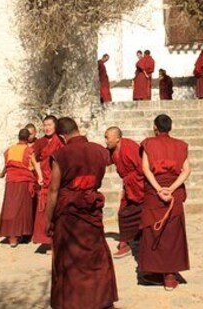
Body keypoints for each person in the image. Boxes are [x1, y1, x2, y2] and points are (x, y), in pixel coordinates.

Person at [46, 117, 118, 309]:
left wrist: (48, 219)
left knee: (70, 258)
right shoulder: (99, 151)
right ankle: (100, 299)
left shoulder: (61, 154)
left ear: (62, 136)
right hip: (91, 209)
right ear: (78, 129)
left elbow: (53, 189)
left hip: (68, 214)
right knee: (95, 255)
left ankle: (73, 302)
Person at [139, 114, 191, 291]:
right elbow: (186, 170)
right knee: (173, 232)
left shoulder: (149, 143)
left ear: (155, 127)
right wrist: (172, 188)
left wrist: (159, 189)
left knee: (154, 230)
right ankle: (169, 276)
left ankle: (155, 271)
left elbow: (145, 169)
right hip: (173, 192)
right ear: (170, 127)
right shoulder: (181, 145)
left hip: (155, 192)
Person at [104, 126, 145, 258]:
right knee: (123, 213)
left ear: (117, 138)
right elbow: (104, 159)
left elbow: (142, 167)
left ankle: (133, 240)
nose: (105, 141)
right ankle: (125, 242)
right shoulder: (113, 150)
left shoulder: (129, 147)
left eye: (107, 137)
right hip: (129, 186)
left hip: (139, 184)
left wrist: (138, 184)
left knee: (142, 212)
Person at [0, 128, 42, 246]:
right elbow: (35, 164)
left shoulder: (9, 150)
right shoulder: (28, 150)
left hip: (11, 181)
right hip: (23, 182)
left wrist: (1, 175)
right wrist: (41, 177)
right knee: (22, 209)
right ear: (28, 138)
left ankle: (12, 237)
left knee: (10, 207)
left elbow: (6, 166)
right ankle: (21, 234)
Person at [32, 115, 62, 248]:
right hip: (45, 178)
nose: (47, 128)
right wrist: (39, 176)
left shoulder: (60, 140)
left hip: (57, 178)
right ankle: (48, 240)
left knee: (57, 208)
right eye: (45, 125)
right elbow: (35, 159)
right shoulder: (40, 142)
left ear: (55, 126)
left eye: (49, 125)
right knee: (45, 209)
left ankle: (58, 240)